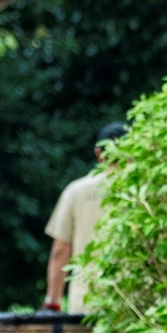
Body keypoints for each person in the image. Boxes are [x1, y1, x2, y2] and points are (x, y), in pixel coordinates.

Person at [45, 123, 127, 312]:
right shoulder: (146, 192)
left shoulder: (76, 191)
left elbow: (60, 251)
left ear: (98, 152)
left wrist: (53, 300)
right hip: (136, 302)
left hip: (87, 302)